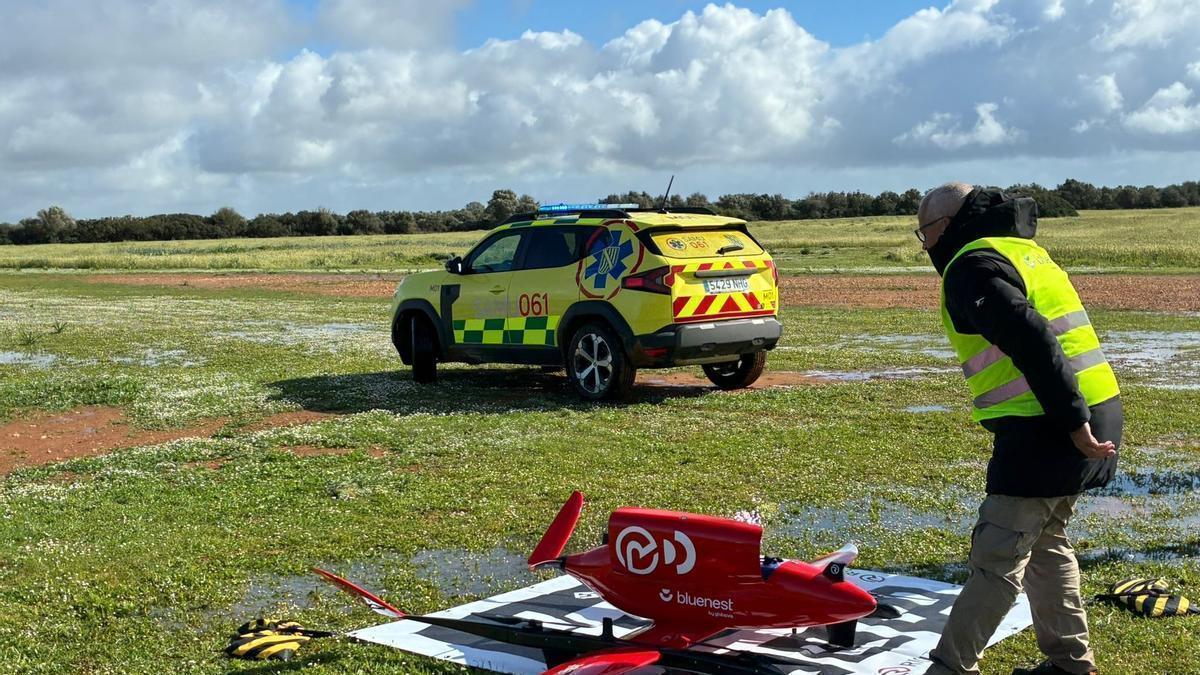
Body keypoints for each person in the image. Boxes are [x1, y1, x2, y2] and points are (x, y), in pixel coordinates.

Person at [917, 183, 1122, 675]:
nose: (925, 247)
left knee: (997, 555)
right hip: (1092, 410)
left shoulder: (971, 265)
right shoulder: (1022, 250)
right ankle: (1070, 663)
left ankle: (949, 668)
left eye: (923, 235)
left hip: (1051, 426)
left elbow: (1034, 338)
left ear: (944, 227)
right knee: (1048, 541)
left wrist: (1072, 424)